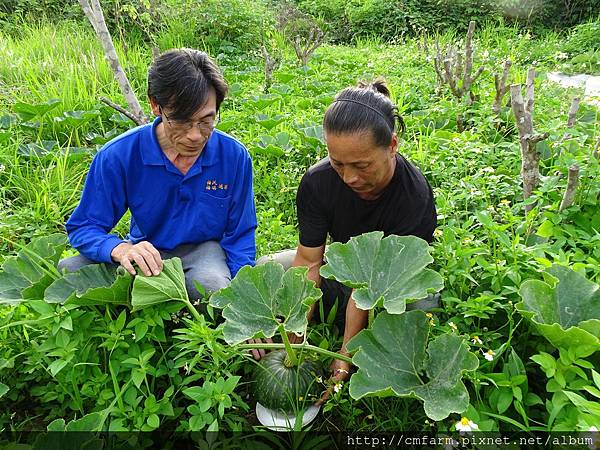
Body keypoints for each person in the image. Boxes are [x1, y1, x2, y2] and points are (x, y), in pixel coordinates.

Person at [257, 79, 437, 384]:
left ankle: (360, 333)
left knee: (422, 310)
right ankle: (339, 321)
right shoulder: (317, 182)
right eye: (338, 163)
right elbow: (309, 261)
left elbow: (370, 285)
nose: (349, 177)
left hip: (388, 289)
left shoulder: (414, 196)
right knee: (267, 269)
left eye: (361, 165)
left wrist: (345, 357)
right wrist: (296, 328)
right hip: (341, 274)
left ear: (392, 146)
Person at [59, 49, 257, 302]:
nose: (195, 135)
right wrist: (120, 249)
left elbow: (241, 235)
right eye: (182, 121)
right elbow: (84, 226)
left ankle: (171, 296)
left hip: (204, 251)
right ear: (155, 105)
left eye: (206, 120)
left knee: (211, 286)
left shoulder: (233, 156)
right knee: (70, 270)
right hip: (148, 249)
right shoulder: (119, 155)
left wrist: (244, 299)